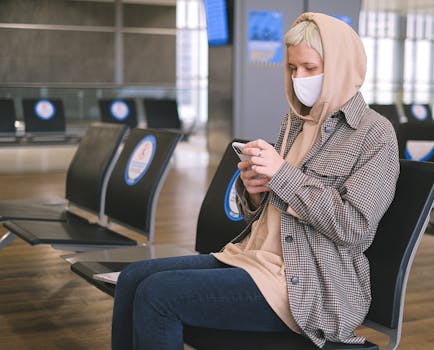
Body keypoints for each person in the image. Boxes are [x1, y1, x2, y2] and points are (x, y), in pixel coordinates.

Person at [111, 12, 399, 350]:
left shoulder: (374, 135)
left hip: (308, 285)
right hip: (256, 260)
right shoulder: (294, 123)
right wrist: (254, 193)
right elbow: (270, 212)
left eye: (309, 68)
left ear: (340, 67)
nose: (298, 78)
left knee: (158, 296)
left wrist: (282, 175)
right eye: (293, 69)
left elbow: (354, 227)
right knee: (132, 279)